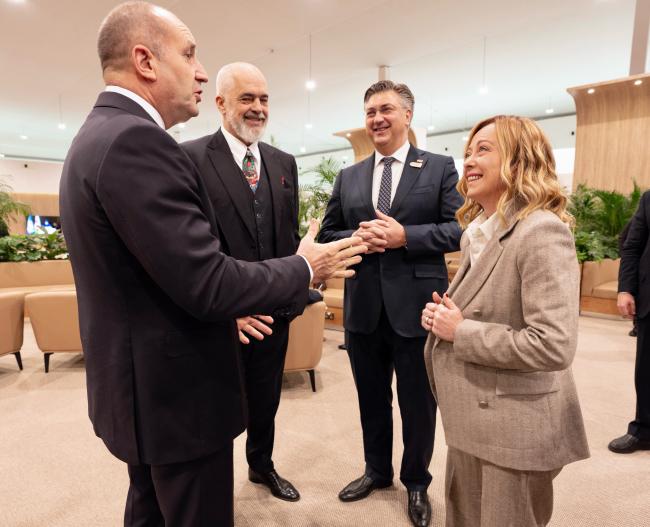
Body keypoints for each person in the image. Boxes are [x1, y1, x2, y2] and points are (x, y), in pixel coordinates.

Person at [58, 3, 364, 526]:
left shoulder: (98, 134)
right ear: (145, 61)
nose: (200, 71)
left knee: (150, 509)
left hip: (144, 390)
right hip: (176, 397)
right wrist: (304, 267)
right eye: (190, 54)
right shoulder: (138, 141)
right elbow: (208, 280)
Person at [421, 115, 590, 526]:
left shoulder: (542, 232)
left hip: (514, 428)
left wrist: (460, 330)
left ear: (519, 160)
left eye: (483, 149)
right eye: (467, 152)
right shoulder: (477, 233)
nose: (469, 161)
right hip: (474, 416)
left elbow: (553, 344)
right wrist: (445, 317)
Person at [319, 80, 462, 527]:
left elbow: (459, 230)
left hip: (418, 306)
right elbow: (327, 234)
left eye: (386, 110)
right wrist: (357, 236)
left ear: (407, 115)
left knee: (418, 401)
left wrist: (407, 236)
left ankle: (416, 481)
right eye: (369, 112)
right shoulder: (350, 176)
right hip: (363, 307)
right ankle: (377, 471)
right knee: (371, 398)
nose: (376, 119)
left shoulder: (438, 168)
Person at [181, 62, 302, 501]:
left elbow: (287, 237)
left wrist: (293, 294)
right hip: (220, 316)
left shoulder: (283, 163)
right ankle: (212, 485)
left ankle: (261, 465)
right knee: (213, 405)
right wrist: (226, 311)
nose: (257, 108)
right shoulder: (189, 158)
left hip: (273, 314)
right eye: (246, 98)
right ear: (220, 103)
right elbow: (187, 252)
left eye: (264, 99)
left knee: (265, 399)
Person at [609, 190, 650, 453]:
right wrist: (625, 289)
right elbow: (632, 246)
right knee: (646, 371)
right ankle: (644, 431)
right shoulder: (649, 199)